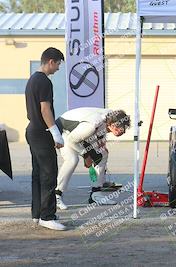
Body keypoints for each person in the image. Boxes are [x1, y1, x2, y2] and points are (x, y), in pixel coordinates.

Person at [54, 108, 130, 209]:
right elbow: (72, 140)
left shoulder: (112, 116)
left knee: (102, 155)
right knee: (72, 160)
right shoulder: (92, 125)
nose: (123, 131)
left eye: (124, 128)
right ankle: (56, 195)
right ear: (112, 124)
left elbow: (95, 135)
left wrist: (99, 146)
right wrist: (86, 155)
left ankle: (96, 194)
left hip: (81, 133)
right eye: (120, 128)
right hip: (65, 131)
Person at [25, 47, 66, 231]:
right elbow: (45, 109)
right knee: (49, 174)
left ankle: (37, 214)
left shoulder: (32, 79)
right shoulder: (44, 82)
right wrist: (55, 133)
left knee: (38, 174)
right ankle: (47, 216)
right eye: (58, 64)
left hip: (32, 130)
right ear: (51, 61)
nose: (58, 68)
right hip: (42, 133)